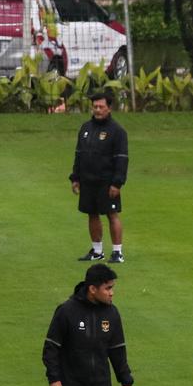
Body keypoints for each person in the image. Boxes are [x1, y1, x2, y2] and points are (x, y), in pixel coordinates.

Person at [70, 92, 128, 263]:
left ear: (109, 108)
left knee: (112, 214)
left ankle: (117, 252)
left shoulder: (117, 131)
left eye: (101, 107)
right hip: (88, 180)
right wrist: (75, 178)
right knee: (92, 214)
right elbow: (79, 154)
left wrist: (117, 183)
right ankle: (97, 251)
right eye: (95, 106)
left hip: (107, 182)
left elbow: (122, 159)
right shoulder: (86, 128)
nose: (97, 110)